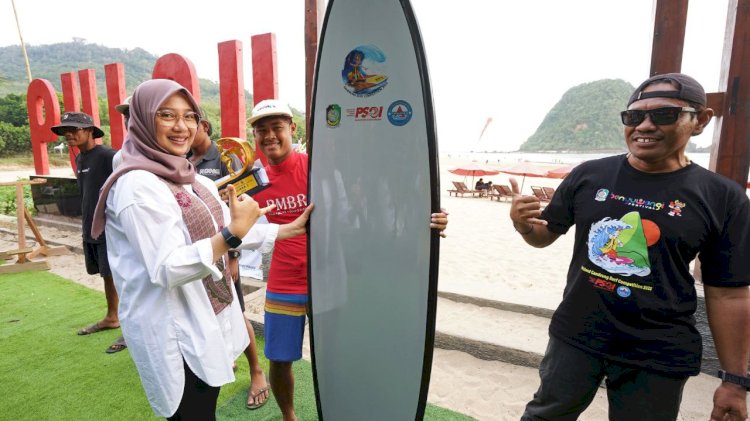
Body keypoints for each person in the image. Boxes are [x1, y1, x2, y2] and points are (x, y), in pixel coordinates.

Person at [509, 73, 750, 421]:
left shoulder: (722, 198)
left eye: (664, 115)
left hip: (657, 351)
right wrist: (524, 225)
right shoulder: (589, 175)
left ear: (700, 120)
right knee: (544, 416)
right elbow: (544, 235)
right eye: (634, 117)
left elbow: (729, 293)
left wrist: (734, 380)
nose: (645, 126)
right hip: (577, 335)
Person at [89, 79, 312, 420]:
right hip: (171, 329)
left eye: (189, 116)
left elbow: (227, 223)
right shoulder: (136, 185)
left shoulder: (189, 177)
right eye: (166, 115)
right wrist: (231, 236)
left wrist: (288, 229)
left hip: (202, 318)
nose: (181, 126)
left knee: (204, 406)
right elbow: (166, 267)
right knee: (189, 412)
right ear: (143, 121)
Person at [248, 99, 449, 421]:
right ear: (254, 136)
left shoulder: (320, 169)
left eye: (276, 128)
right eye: (261, 131)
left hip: (327, 279)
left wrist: (423, 226)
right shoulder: (254, 181)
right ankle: (289, 417)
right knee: (279, 359)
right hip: (283, 283)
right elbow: (241, 232)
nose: (269, 136)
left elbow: (355, 221)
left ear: (292, 129)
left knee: (332, 357)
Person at [186, 110, 270, 410]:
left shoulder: (226, 157)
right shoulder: (185, 161)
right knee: (214, 310)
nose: (182, 130)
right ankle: (226, 358)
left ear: (203, 126)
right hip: (200, 252)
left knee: (237, 311)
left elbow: (239, 206)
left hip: (226, 248)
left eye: (189, 122)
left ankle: (257, 372)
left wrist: (232, 255)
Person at [50, 112, 126, 354]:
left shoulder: (109, 156)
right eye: (65, 131)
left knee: (121, 275)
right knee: (106, 274)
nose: (69, 135)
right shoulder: (80, 159)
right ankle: (112, 317)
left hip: (110, 227)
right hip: (90, 227)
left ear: (91, 130)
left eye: (74, 129)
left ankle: (132, 327)